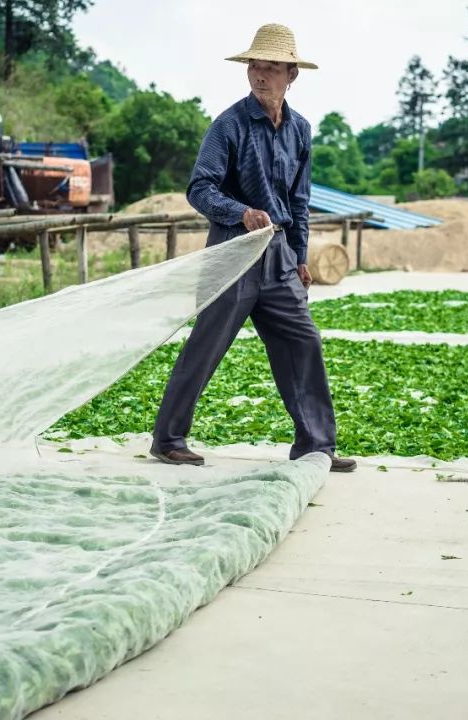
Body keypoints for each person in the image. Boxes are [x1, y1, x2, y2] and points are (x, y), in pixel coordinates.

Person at [149, 23, 356, 473]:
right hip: (233, 250)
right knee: (207, 345)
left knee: (303, 342)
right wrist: (241, 213)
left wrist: (300, 258)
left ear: (291, 75)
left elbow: (299, 200)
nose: (260, 75)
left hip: (279, 257)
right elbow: (199, 188)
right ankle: (168, 439)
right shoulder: (228, 125)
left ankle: (316, 446)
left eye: (271, 68)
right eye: (255, 67)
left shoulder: (300, 129)